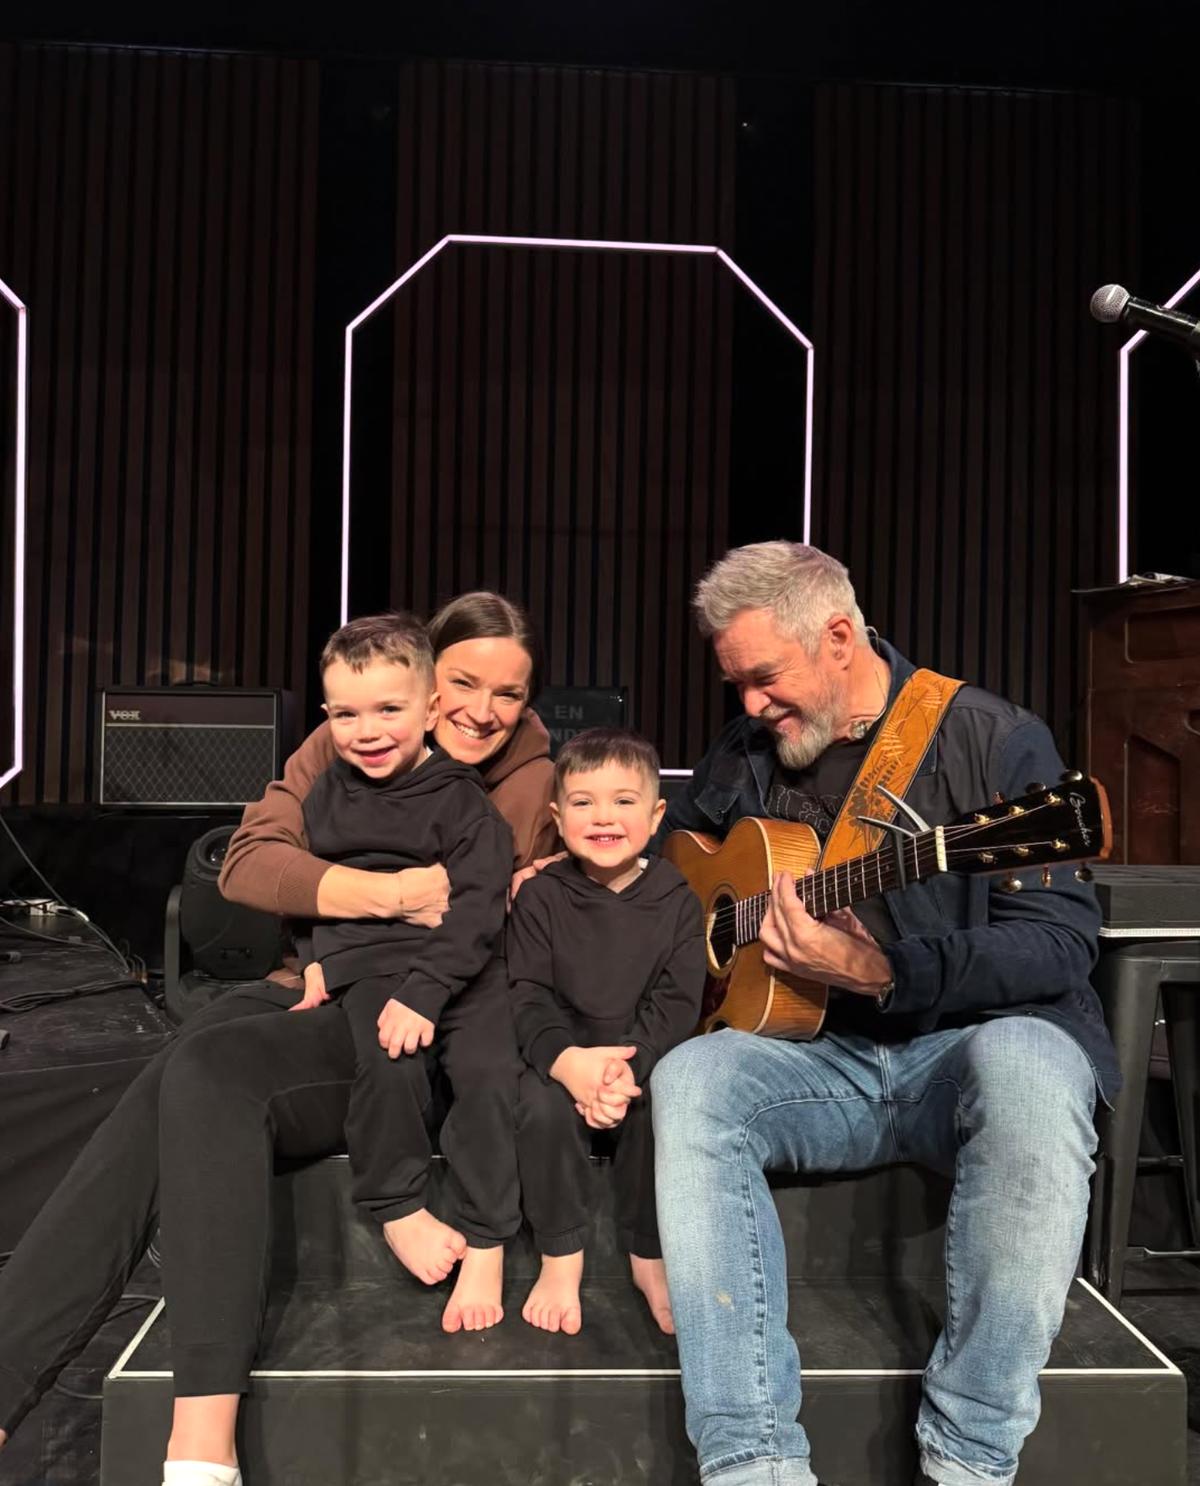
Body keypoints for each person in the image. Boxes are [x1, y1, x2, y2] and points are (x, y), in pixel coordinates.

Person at [0, 592, 556, 1486]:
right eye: (463, 682)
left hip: (426, 1026)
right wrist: (389, 897)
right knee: (182, 1065)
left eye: (509, 694)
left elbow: (540, 920)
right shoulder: (343, 741)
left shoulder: (538, 784)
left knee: (210, 1071)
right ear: (424, 679)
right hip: (316, 984)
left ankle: (200, 1437)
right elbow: (252, 863)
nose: (480, 711)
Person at [648, 542, 1119, 1486]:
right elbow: (678, 871)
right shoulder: (745, 752)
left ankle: (970, 1455)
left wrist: (883, 970)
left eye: (765, 678)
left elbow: (1059, 945)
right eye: (736, 683)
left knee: (1034, 1068)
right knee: (690, 1077)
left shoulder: (992, 738)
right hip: (819, 1060)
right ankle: (751, 1460)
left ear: (838, 635)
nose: (750, 704)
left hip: (965, 1054)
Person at [288, 611, 516, 1302]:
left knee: (489, 1075)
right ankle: (396, 1206)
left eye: (389, 709)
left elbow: (480, 905)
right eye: (347, 714)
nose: (368, 730)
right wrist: (314, 958)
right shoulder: (324, 793)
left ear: (431, 709)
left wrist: (427, 988)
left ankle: (488, 1235)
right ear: (327, 716)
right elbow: (306, 887)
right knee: (389, 1064)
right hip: (370, 961)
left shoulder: (461, 798)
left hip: (459, 964)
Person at [507, 728, 704, 1337]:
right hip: (561, 1057)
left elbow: (676, 1002)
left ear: (656, 815)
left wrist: (627, 1069)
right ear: (558, 817)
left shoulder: (677, 899)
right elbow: (528, 994)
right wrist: (568, 1063)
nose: (603, 817)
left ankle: (649, 1254)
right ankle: (561, 1254)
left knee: (664, 1105)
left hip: (638, 1061)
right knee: (538, 1110)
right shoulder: (540, 896)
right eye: (584, 802)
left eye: (623, 801)